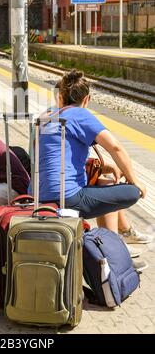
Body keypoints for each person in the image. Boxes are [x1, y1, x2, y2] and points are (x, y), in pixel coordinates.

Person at [38, 70, 151, 269]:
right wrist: (136, 181)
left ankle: (115, 246)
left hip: (38, 195)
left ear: (61, 97)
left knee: (106, 184)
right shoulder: (80, 114)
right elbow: (115, 147)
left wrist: (104, 167)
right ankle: (114, 251)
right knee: (132, 192)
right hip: (67, 198)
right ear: (87, 99)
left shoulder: (45, 117)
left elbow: (57, 154)